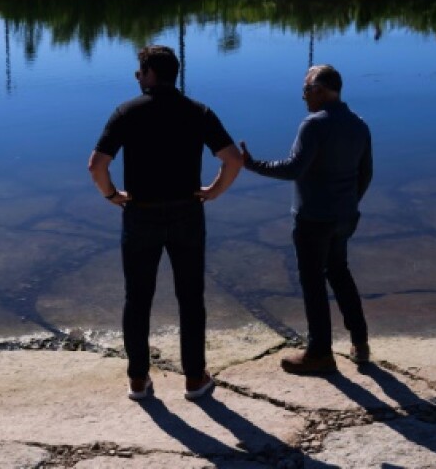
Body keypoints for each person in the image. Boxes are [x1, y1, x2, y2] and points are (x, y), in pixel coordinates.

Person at [88, 45, 244, 401]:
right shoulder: (197, 112)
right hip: (187, 212)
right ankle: (193, 379)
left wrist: (111, 195)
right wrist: (214, 192)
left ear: (149, 74)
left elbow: (96, 165)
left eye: (139, 72)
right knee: (190, 297)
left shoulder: (127, 112)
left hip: (140, 212)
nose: (137, 78)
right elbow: (232, 159)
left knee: (137, 298)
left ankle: (138, 380)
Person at [241, 64, 372, 375]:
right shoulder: (359, 125)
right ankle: (360, 343)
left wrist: (252, 164)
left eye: (306, 91)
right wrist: (348, 203)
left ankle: (319, 352)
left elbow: (293, 169)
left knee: (313, 283)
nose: (303, 98)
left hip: (314, 218)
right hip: (345, 216)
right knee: (340, 273)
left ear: (321, 91)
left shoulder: (313, 125)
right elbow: (366, 173)